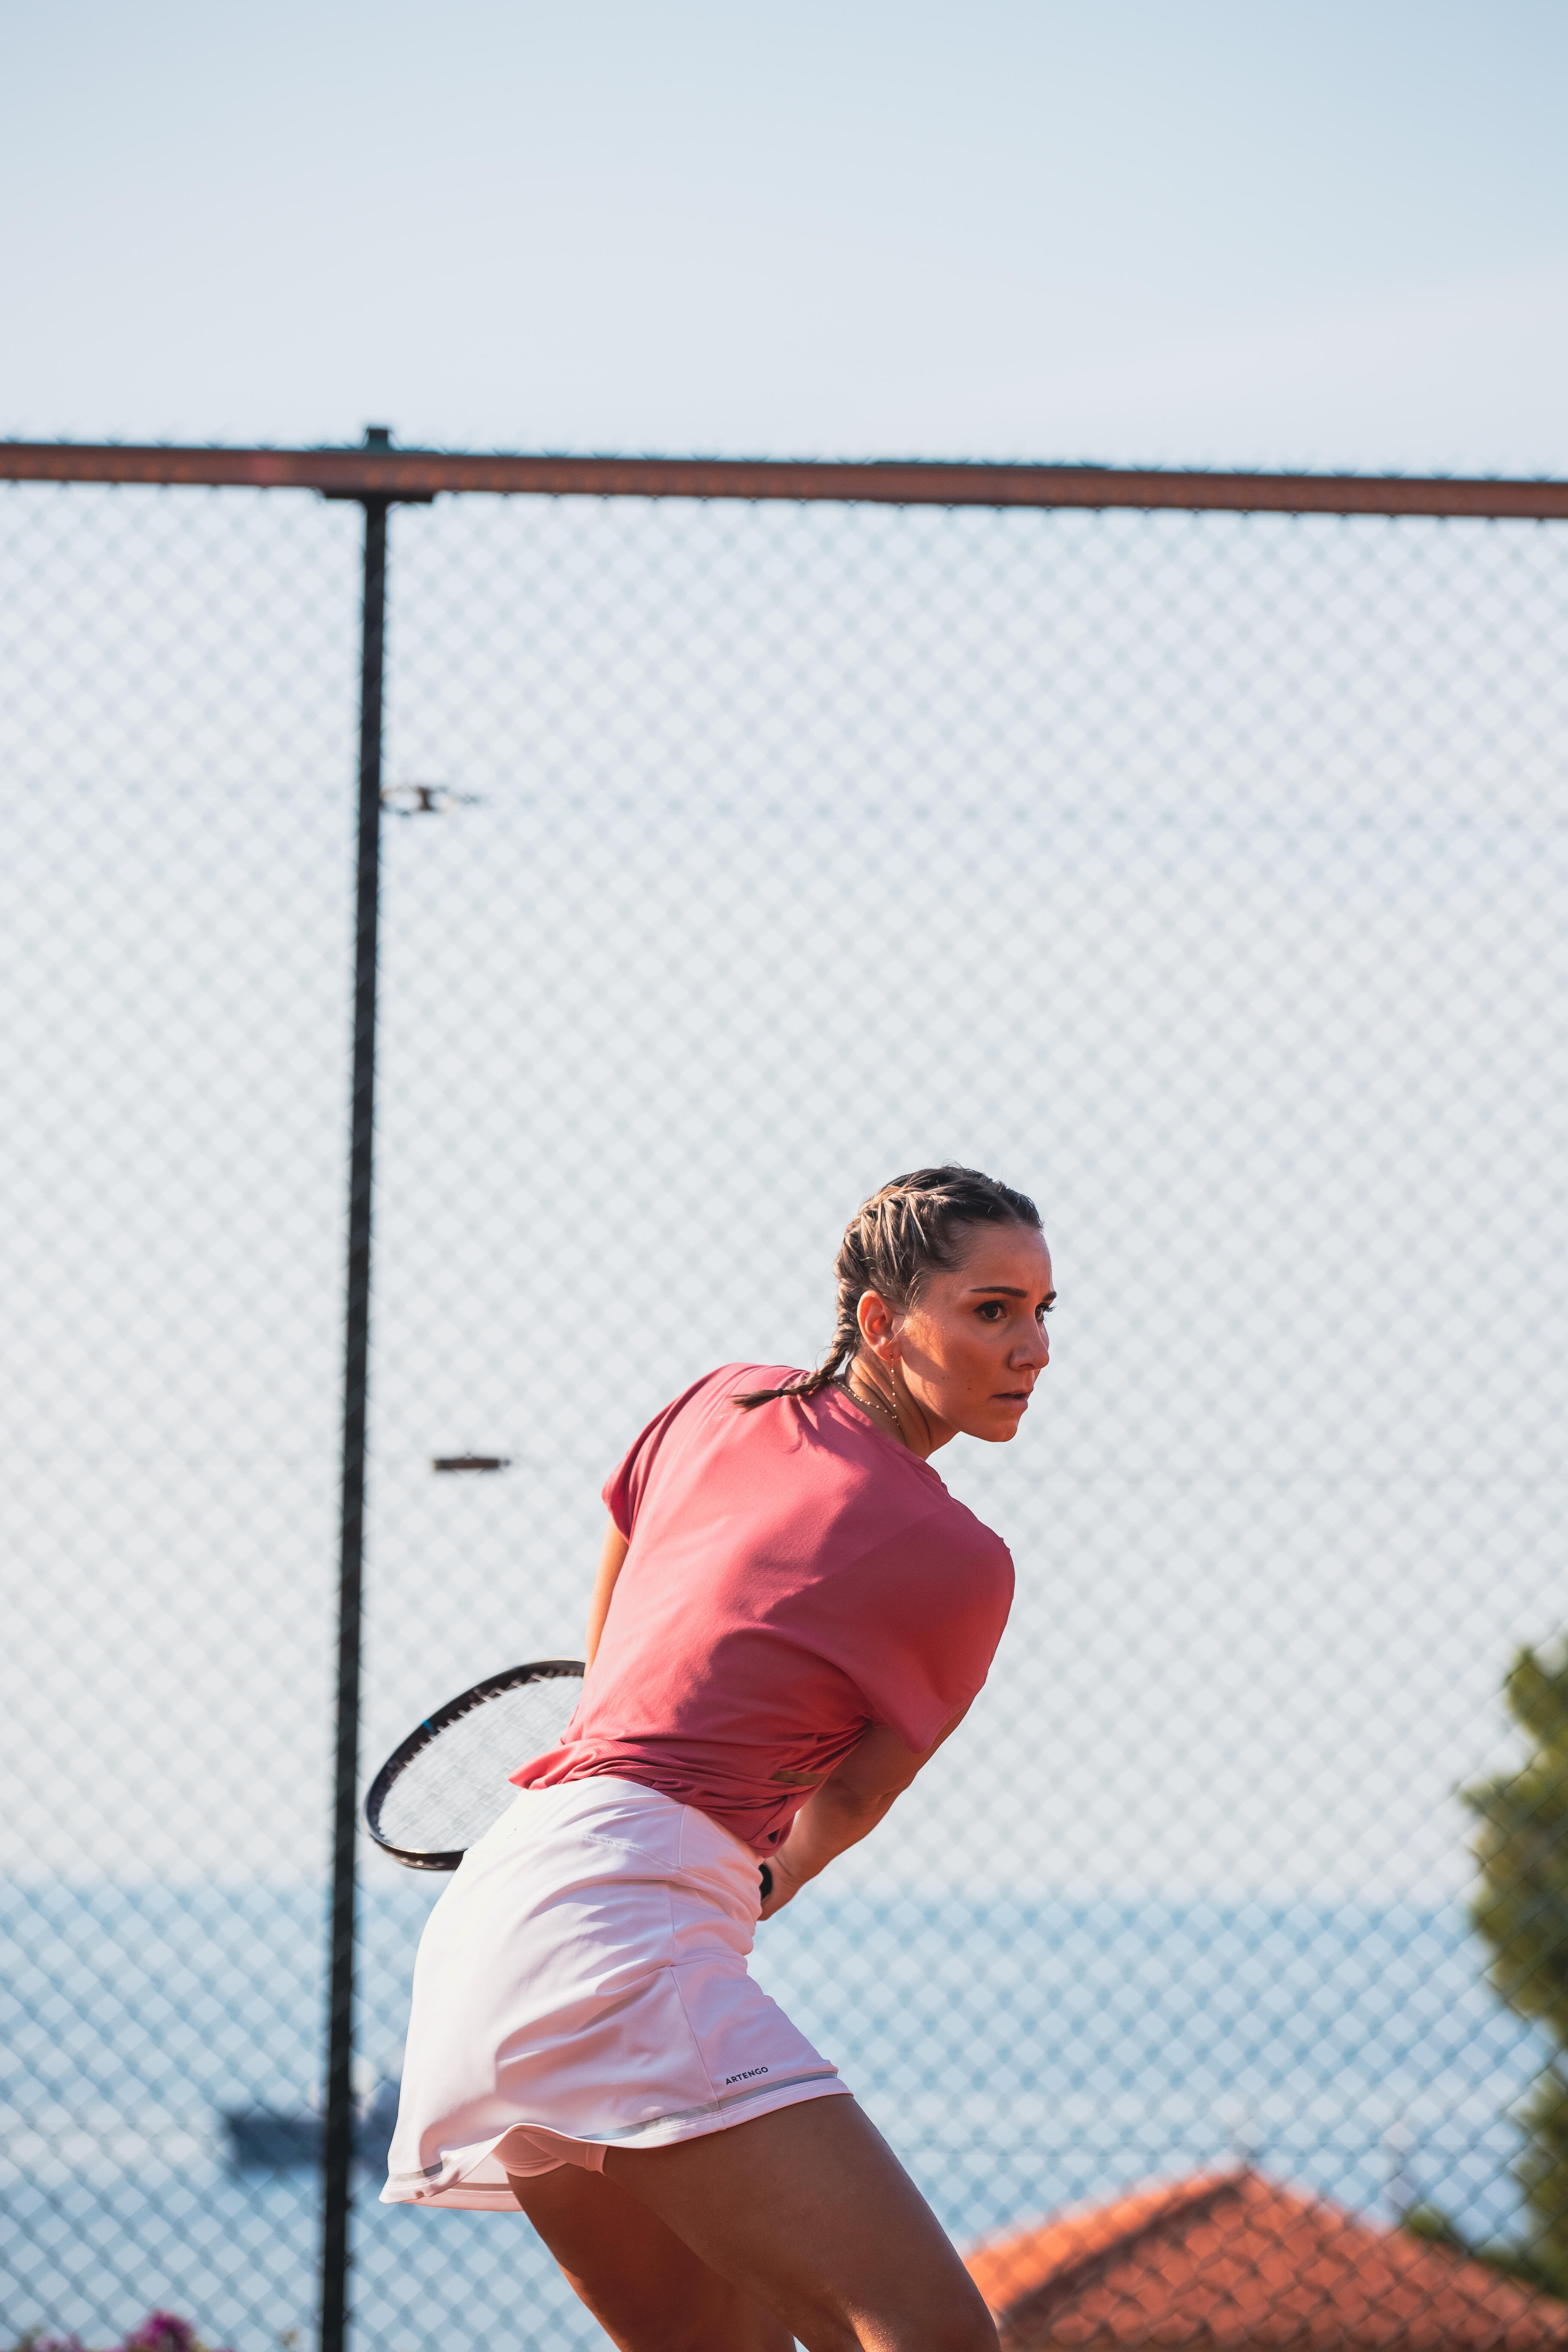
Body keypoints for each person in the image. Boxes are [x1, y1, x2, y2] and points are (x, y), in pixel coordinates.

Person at [383, 1166, 1054, 2352]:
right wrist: (762, 1874)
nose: (1033, 1347)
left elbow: (622, 1581)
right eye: (992, 1310)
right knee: (933, 2336)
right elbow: (854, 1791)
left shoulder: (721, 1399)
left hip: (499, 1913)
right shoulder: (962, 1561)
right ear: (880, 1323)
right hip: (619, 1914)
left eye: (1044, 1312)